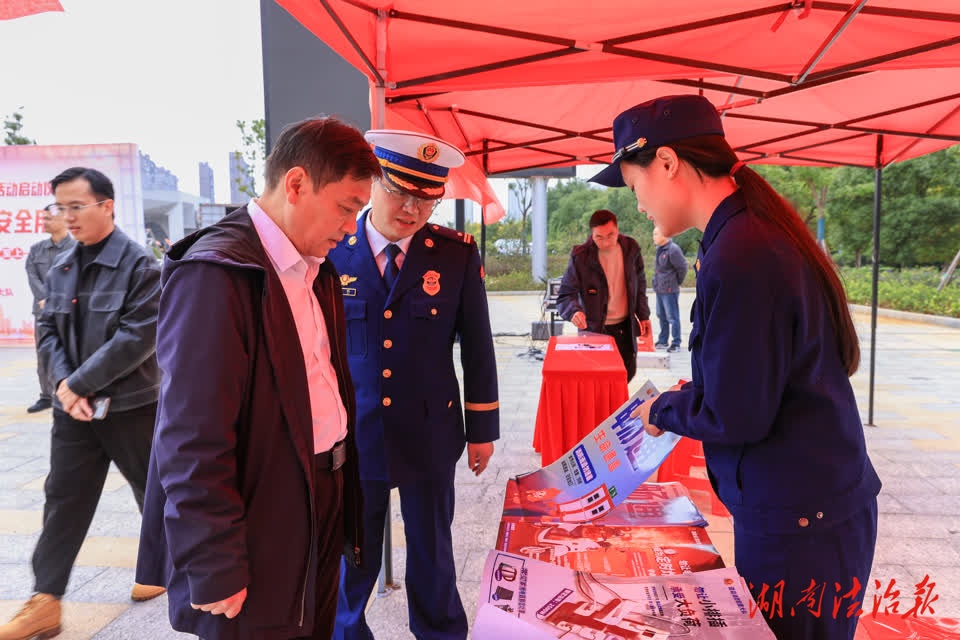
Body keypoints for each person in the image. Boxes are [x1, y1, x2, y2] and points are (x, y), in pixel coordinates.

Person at [594, 95, 880, 640]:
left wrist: (664, 410)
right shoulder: (746, 233)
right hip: (807, 510)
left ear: (668, 163)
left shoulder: (742, 252)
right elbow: (756, 377)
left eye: (634, 187)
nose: (640, 205)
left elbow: (737, 414)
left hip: (801, 527)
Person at [135, 116, 380, 640]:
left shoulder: (314, 267)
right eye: (346, 207)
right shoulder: (217, 273)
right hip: (259, 511)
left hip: (321, 490)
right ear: (296, 184)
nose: (350, 227)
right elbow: (190, 435)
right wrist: (212, 557)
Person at [328, 130, 499, 640]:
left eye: (427, 199)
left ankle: (440, 632)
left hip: (430, 431)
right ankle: (345, 633)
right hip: (356, 433)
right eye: (400, 192)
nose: (412, 209)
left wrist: (482, 430)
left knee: (432, 550)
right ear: (373, 182)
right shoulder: (334, 250)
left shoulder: (454, 254)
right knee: (352, 554)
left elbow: (478, 345)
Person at [0, 167, 165, 640]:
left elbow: (137, 338)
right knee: (64, 500)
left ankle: (165, 570)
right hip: (73, 412)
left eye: (76, 206)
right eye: (60, 207)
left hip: (131, 407)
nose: (66, 216)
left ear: (106, 206)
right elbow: (48, 330)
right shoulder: (61, 265)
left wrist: (78, 384)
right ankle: (45, 600)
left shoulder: (141, 266)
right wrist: (63, 387)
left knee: (155, 495)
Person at [556, 209, 651, 382]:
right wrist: (573, 311)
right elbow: (566, 294)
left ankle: (619, 401)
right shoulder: (581, 256)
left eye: (610, 235)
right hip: (594, 329)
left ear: (617, 229)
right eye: (599, 237)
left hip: (625, 327)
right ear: (592, 234)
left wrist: (644, 316)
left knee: (626, 374)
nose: (606, 242)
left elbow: (640, 284)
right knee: (594, 379)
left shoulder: (631, 248)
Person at [23, 206, 75, 413]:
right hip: (42, 311)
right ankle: (46, 396)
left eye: (49, 218)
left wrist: (57, 300)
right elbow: (32, 275)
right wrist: (44, 298)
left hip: (70, 312)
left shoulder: (77, 248)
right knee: (44, 353)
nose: (44, 222)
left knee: (73, 353)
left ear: (64, 219)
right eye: (43, 218)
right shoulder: (37, 249)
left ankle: (71, 393)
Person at [651, 226, 688, 353]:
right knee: (661, 316)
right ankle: (663, 341)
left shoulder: (673, 250)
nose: (654, 237)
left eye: (656, 234)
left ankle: (676, 343)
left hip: (669, 289)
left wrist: (676, 282)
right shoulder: (660, 249)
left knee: (672, 317)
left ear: (664, 235)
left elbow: (683, 267)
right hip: (660, 289)